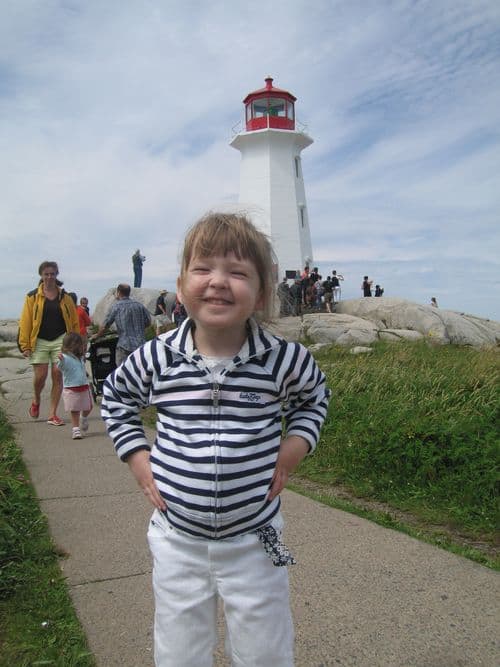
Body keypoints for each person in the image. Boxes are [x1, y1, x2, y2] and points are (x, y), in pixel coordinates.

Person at [101, 212, 330, 667]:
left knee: (265, 652)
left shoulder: (283, 359)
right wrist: (137, 457)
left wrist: (295, 447)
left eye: (238, 272)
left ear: (262, 292)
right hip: (176, 538)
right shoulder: (157, 355)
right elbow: (117, 398)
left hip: (254, 538)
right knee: (179, 651)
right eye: (203, 269)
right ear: (182, 284)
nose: (218, 282)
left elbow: (314, 399)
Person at [18, 261, 79, 426]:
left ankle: (52, 414)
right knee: (41, 376)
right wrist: (25, 345)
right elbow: (26, 322)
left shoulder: (65, 297)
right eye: (46, 274)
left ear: (56, 275)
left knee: (58, 374)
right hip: (39, 340)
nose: (49, 277)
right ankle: (36, 400)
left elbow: (73, 321)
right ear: (41, 276)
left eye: (52, 274)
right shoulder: (32, 297)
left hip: (61, 339)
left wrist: (76, 343)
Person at [94, 283, 151, 366]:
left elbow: (105, 326)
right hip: (140, 344)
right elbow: (148, 322)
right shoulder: (139, 305)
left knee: (122, 372)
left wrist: (97, 335)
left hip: (124, 346)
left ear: (118, 292)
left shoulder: (116, 306)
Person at [57, 332, 93, 440]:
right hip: (71, 387)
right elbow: (61, 367)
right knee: (75, 409)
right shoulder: (65, 357)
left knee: (88, 407)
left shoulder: (80, 358)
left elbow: (81, 368)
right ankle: (75, 429)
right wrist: (61, 360)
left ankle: (84, 417)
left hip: (84, 385)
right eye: (80, 345)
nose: (82, 347)